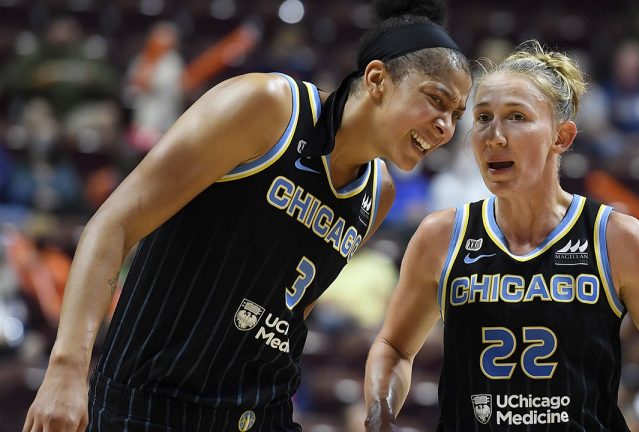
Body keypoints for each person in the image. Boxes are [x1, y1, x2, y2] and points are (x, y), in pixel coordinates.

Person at [23, 0, 471, 430]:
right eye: (436, 99)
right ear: (377, 79)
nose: (445, 126)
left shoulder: (379, 194)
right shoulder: (268, 107)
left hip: (256, 414)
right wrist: (66, 367)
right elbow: (113, 224)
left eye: (455, 115)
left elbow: (291, 314)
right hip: (148, 402)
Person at [364, 40, 639, 432]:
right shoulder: (441, 235)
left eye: (516, 117)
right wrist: (381, 409)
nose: (494, 136)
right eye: (482, 118)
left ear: (561, 137)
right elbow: (394, 348)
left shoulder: (616, 238)